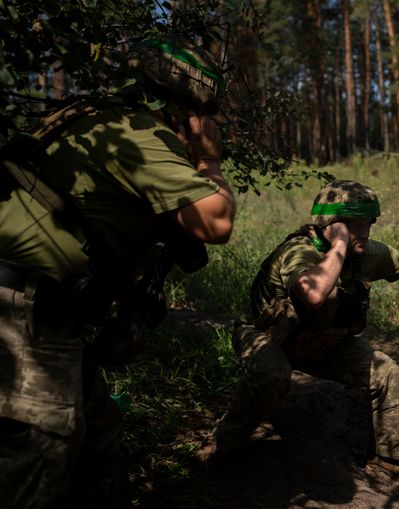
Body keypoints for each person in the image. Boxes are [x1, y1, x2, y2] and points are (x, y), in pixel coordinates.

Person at [0, 36, 236, 508]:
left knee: (98, 431)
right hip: (24, 307)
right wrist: (208, 158)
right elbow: (215, 221)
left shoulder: (88, 116)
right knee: (40, 455)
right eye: (202, 116)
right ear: (185, 109)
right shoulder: (140, 133)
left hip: (42, 303)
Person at [211, 179, 399, 478]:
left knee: (384, 371)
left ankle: (387, 456)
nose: (365, 231)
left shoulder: (368, 253)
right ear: (330, 225)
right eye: (355, 224)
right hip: (266, 336)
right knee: (273, 374)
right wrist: (341, 244)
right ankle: (226, 443)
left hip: (317, 341)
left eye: (369, 223)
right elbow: (314, 293)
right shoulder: (299, 251)